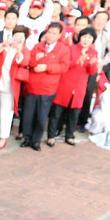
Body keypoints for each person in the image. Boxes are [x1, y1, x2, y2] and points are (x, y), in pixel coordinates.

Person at [22, 22, 70, 150]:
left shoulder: (63, 49)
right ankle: (27, 138)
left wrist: (47, 67)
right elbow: (30, 63)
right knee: (28, 115)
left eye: (54, 33)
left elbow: (64, 67)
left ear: (59, 35)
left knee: (41, 117)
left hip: (48, 89)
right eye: (49, 32)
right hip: (32, 86)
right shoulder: (38, 46)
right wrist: (37, 59)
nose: (50, 35)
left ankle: (36, 141)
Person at [47, 27, 99, 146]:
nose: (86, 40)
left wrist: (92, 65)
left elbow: (92, 72)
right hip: (65, 84)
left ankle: (69, 135)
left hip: (79, 87)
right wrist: (78, 61)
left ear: (92, 41)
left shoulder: (93, 53)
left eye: (89, 38)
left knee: (74, 113)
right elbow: (65, 65)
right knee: (57, 112)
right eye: (84, 37)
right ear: (79, 37)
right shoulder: (70, 49)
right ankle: (51, 135)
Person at [0, 26, 30, 150]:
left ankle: (3, 138)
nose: (18, 38)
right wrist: (4, 44)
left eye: (21, 36)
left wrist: (19, 51)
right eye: (16, 36)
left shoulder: (25, 50)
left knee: (6, 113)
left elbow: (24, 62)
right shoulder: (6, 46)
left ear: (25, 38)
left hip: (11, 86)